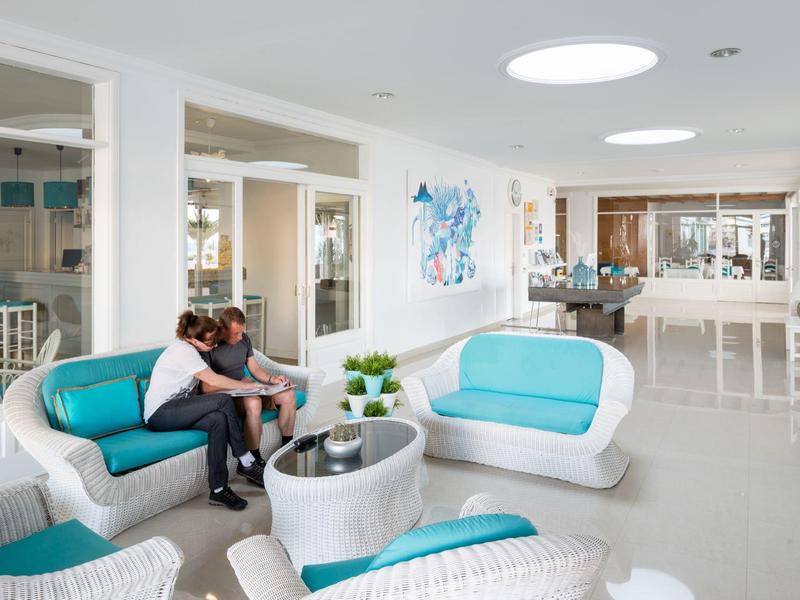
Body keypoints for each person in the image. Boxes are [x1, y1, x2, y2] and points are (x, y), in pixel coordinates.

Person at [143, 310, 266, 511]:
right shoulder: (183, 351)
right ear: (193, 340)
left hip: (179, 408)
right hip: (161, 413)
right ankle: (246, 460)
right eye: (210, 343)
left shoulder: (194, 349)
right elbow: (213, 380)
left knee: (218, 420)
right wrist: (246, 386)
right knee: (223, 401)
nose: (215, 346)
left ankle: (218, 489)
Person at [201, 306, 297, 472]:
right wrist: (244, 385)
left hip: (247, 387)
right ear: (222, 328)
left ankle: (287, 447)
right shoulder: (209, 345)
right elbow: (207, 385)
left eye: (241, 332)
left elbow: (255, 369)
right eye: (235, 333)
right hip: (229, 393)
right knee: (253, 403)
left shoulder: (244, 339)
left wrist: (273, 379)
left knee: (288, 394)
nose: (240, 337)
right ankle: (254, 458)